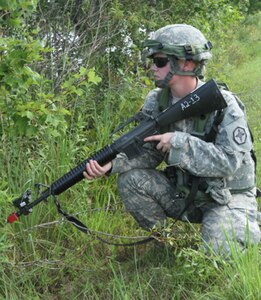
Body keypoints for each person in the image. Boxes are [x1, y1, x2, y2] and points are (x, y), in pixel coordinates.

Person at [83, 24, 260, 255]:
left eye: (159, 61)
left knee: (220, 256)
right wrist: (113, 164)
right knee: (131, 180)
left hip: (226, 196)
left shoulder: (223, 104)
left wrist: (179, 142)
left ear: (187, 63)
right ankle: (169, 245)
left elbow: (229, 162)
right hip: (185, 192)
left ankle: (243, 221)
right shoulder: (157, 101)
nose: (152, 68)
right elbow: (149, 152)